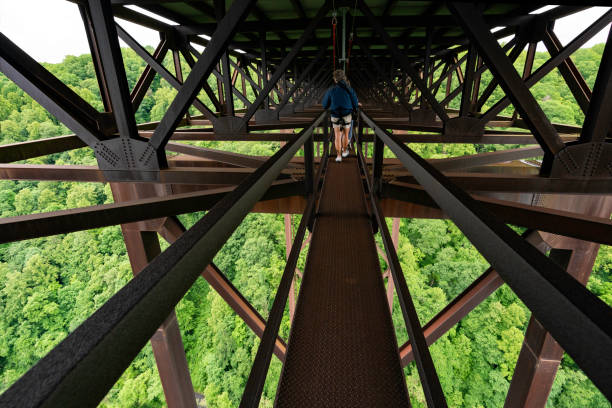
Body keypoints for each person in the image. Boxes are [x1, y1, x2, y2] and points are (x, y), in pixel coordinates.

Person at [321, 70, 358, 162]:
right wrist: (355, 108)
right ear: (343, 78)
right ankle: (345, 151)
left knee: (337, 136)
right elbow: (355, 102)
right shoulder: (349, 88)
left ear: (335, 79)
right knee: (346, 134)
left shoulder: (331, 89)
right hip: (346, 114)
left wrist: (331, 104)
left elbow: (324, 105)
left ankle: (338, 156)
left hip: (335, 114)